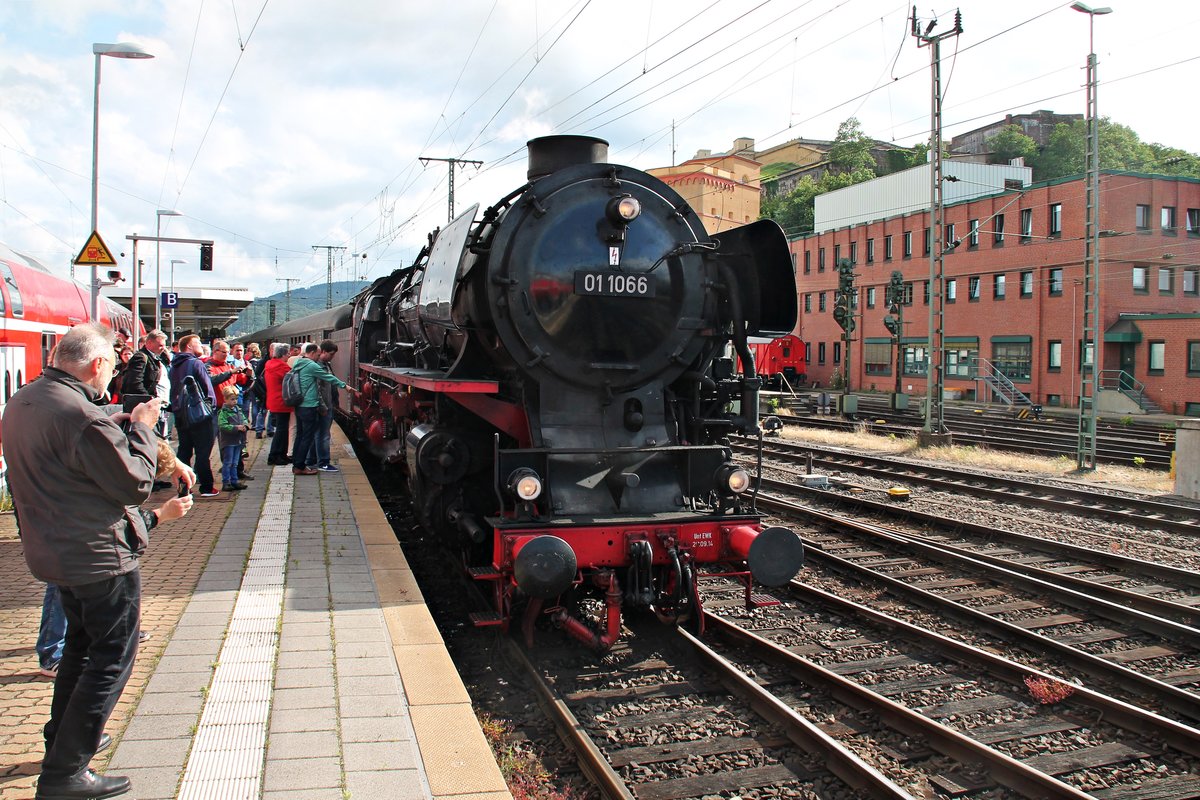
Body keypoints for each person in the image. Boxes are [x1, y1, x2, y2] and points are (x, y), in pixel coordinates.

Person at [3, 323, 195, 800]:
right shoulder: (82, 418)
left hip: (54, 548)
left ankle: (62, 741)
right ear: (97, 366)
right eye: (111, 367)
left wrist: (124, 417)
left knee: (81, 649)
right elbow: (134, 483)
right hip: (98, 556)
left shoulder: (25, 401)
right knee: (112, 657)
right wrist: (145, 430)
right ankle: (67, 771)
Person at [290, 343, 356, 476]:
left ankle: (298, 464)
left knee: (301, 436)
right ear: (313, 352)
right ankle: (305, 465)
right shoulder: (311, 365)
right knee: (308, 437)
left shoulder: (299, 363)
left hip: (300, 405)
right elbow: (328, 378)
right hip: (309, 405)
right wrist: (345, 386)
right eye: (318, 354)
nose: (319, 357)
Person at [170, 334, 221, 498]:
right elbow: (208, 389)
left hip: (180, 414)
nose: (201, 345)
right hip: (198, 415)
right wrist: (211, 409)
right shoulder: (196, 363)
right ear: (189, 347)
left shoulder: (174, 365)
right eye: (198, 343)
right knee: (203, 451)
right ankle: (206, 487)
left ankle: (184, 486)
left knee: (184, 450)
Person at [121, 330, 171, 439]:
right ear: (149, 343)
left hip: (159, 406)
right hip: (149, 407)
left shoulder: (157, 357)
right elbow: (134, 382)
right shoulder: (141, 357)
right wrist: (149, 401)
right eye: (160, 345)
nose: (163, 348)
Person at [306, 339, 342, 472]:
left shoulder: (325, 364)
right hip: (323, 406)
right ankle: (323, 463)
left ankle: (311, 460)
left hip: (327, 404)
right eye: (331, 354)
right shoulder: (319, 366)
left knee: (318, 434)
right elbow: (318, 389)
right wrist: (323, 406)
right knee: (323, 435)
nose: (333, 357)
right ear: (323, 352)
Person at [263, 343, 293, 465]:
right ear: (284, 354)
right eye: (288, 354)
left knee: (282, 429)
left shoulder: (270, 364)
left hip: (273, 400)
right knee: (282, 430)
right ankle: (275, 455)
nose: (289, 356)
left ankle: (281, 454)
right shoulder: (282, 367)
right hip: (281, 401)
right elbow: (292, 378)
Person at [217, 385, 249, 492]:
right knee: (228, 462)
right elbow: (222, 426)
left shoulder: (237, 410)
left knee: (235, 462)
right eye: (232, 399)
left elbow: (244, 419)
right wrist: (236, 428)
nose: (235, 401)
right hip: (229, 441)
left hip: (238, 440)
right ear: (225, 399)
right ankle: (226, 482)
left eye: (236, 399)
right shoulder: (223, 412)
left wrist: (245, 425)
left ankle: (234, 481)